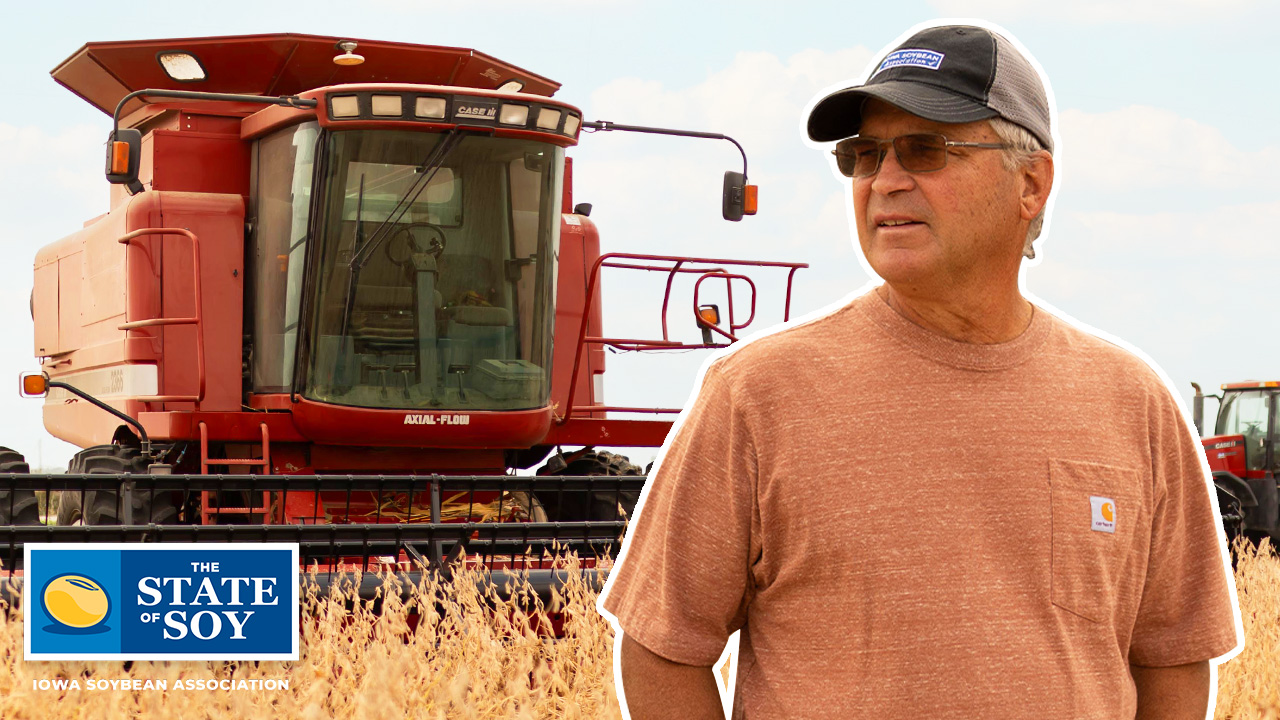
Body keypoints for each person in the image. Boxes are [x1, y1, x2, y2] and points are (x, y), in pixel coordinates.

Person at [597, 22, 1240, 720]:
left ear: (1031, 182)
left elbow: (1174, 658)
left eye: (925, 150)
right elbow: (662, 649)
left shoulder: (1131, 402)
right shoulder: (757, 394)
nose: (885, 180)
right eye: (864, 154)